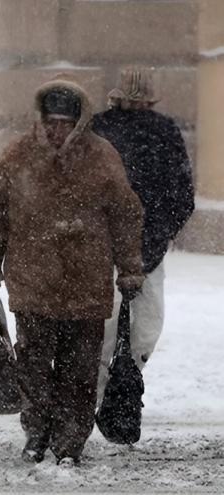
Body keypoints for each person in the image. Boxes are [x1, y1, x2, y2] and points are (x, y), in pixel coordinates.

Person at [0, 75, 144, 467]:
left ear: (79, 122)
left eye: (65, 123)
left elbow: (125, 214)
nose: (57, 130)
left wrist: (130, 268)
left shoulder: (102, 155)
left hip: (87, 283)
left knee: (81, 371)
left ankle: (71, 441)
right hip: (32, 281)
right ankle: (37, 434)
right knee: (33, 367)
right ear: (40, 119)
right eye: (51, 121)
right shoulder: (18, 154)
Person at [91, 67, 195, 405]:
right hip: (134, 245)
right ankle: (119, 385)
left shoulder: (100, 127)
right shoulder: (161, 130)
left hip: (117, 244)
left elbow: (180, 195)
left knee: (115, 324)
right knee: (143, 324)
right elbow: (181, 194)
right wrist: (162, 232)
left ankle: (109, 387)